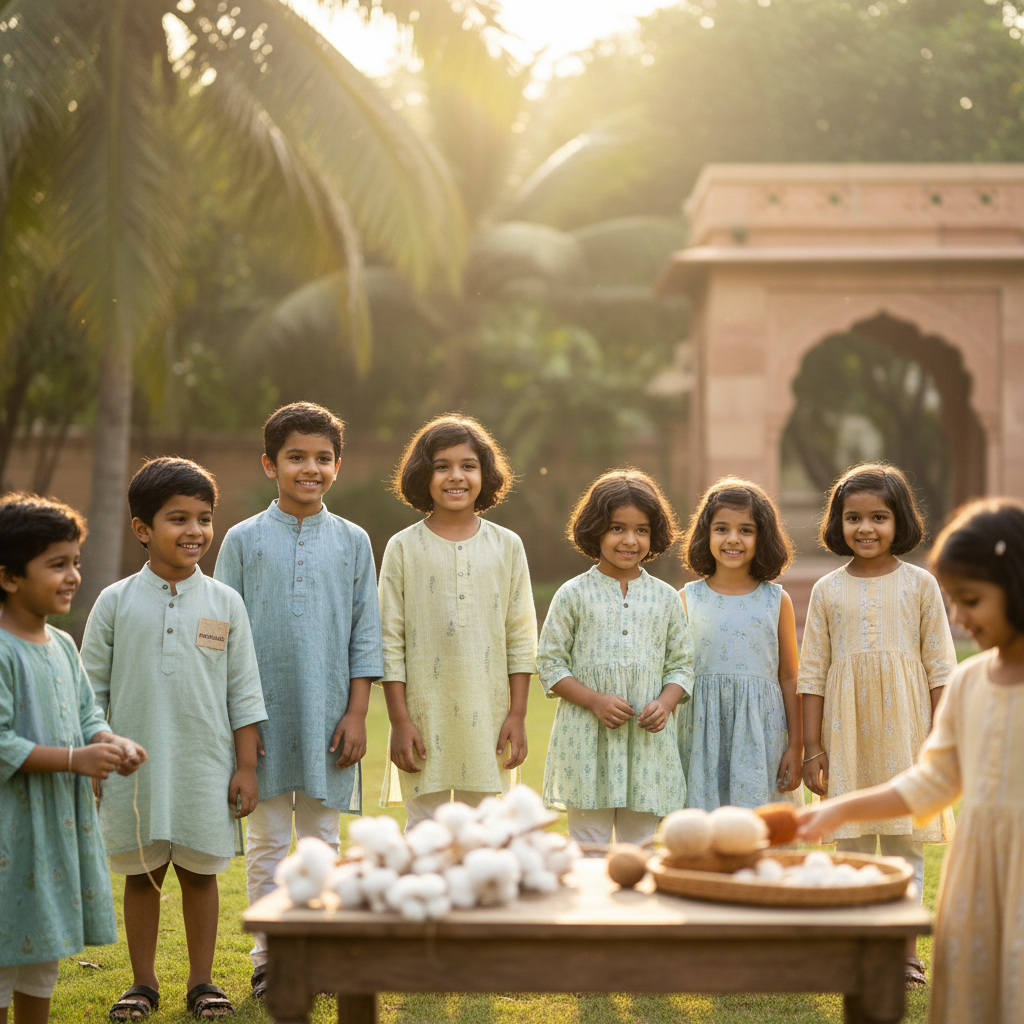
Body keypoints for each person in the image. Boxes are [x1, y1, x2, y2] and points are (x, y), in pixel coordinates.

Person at [800, 496, 1024, 1023]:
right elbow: (932, 783)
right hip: (977, 873)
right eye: (954, 602)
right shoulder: (973, 682)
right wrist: (839, 810)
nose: (960, 619)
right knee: (976, 988)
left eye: (970, 600)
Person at [82, 458, 266, 1021]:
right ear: (142, 528)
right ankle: (141, 985)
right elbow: (88, 687)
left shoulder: (225, 603)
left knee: (201, 876)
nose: (195, 531)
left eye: (204, 518)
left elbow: (244, 692)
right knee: (143, 876)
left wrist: (246, 766)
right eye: (177, 518)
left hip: (204, 764)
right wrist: (97, 749)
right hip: (134, 769)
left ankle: (203, 983)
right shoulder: (114, 602)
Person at [214, 402, 382, 1000]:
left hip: (331, 718)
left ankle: (313, 947)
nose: (310, 468)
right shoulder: (241, 539)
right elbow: (224, 637)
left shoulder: (354, 540)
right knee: (263, 843)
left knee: (320, 841)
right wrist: (242, 725)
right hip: (258, 721)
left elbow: (367, 631)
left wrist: (358, 712)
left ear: (338, 465)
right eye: (296, 458)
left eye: (322, 458)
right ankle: (267, 958)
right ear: (270, 464)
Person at [797, 462, 956, 989]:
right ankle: (854, 950)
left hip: (909, 734)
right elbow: (812, 673)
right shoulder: (825, 590)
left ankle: (905, 954)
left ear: (900, 521)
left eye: (879, 517)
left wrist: (940, 740)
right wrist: (813, 748)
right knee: (853, 848)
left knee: (905, 847)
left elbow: (941, 668)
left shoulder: (921, 584)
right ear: (837, 523)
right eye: (853, 517)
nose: (865, 528)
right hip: (846, 735)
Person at [0, 494, 146, 1024]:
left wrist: (110, 743)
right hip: (10, 828)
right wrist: (73, 759)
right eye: (56, 564)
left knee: (42, 947)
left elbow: (87, 714)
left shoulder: (62, 644)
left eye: (76, 562)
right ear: (10, 576)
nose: (72, 576)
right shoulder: (2, 649)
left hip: (54, 825)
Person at [377, 414, 537, 826]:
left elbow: (520, 638)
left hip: (490, 719)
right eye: (442, 466)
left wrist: (517, 715)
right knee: (423, 837)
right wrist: (399, 722)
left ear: (485, 473)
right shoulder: (402, 547)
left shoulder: (507, 546)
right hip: (423, 719)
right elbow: (389, 641)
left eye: (468, 465)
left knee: (484, 836)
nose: (456, 477)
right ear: (422, 475)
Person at [539, 470, 693, 848]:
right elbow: (550, 663)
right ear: (595, 530)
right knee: (589, 847)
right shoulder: (573, 594)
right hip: (586, 745)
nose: (630, 540)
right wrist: (595, 700)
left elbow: (682, 664)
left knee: (640, 848)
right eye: (617, 528)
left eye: (641, 530)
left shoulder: (666, 598)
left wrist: (666, 701)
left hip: (647, 746)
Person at [677, 478, 803, 811]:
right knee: (703, 836)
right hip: (701, 733)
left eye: (746, 530)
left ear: (763, 538)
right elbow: (673, 674)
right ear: (706, 535)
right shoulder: (686, 599)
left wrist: (796, 746)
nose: (733, 539)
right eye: (722, 529)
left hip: (762, 734)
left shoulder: (778, 600)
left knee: (759, 831)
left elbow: (790, 677)